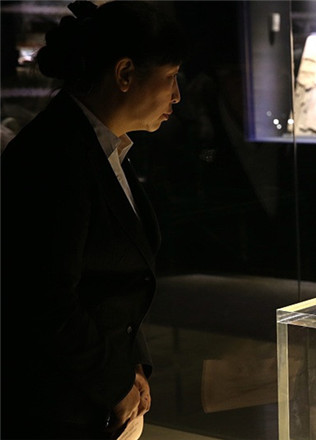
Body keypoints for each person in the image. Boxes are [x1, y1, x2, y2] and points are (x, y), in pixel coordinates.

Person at [1, 1, 186, 438]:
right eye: (170, 77)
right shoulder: (53, 157)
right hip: (55, 412)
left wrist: (131, 368)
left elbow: (112, 289)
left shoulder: (102, 149)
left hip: (90, 401)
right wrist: (116, 384)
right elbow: (44, 300)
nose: (177, 96)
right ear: (125, 74)